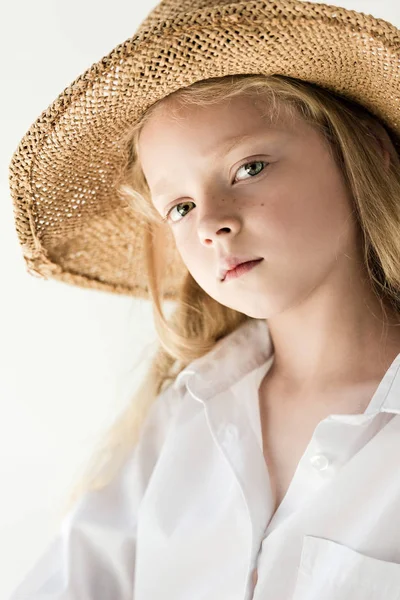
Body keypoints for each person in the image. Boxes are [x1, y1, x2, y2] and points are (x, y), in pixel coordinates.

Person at [8, 0, 400, 598]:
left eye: (249, 167)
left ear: (365, 151)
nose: (211, 222)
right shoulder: (184, 415)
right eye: (181, 207)